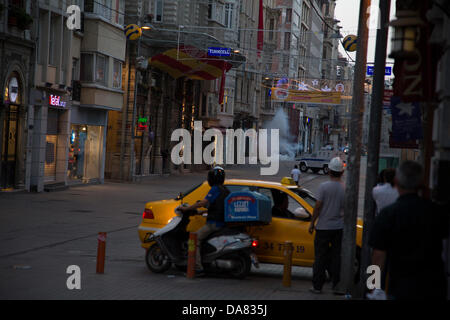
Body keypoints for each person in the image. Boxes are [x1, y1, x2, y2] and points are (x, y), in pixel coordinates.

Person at [369, 160, 448, 300]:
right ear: (421, 183)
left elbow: (377, 256)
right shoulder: (436, 212)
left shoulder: (388, 215)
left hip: (401, 288)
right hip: (434, 287)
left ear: (396, 182)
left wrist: (373, 286)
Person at [179, 166, 230, 273]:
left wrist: (186, 208)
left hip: (214, 223)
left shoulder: (215, 189)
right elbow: (217, 207)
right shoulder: (225, 190)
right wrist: (202, 212)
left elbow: (204, 202)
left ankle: (197, 267)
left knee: (193, 240)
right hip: (221, 222)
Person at [308, 157, 345, 294]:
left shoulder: (324, 187)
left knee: (320, 257)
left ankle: (317, 286)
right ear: (342, 172)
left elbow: (317, 207)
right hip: (339, 228)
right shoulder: (345, 187)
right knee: (336, 257)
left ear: (329, 171)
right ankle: (337, 285)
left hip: (323, 227)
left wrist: (312, 223)